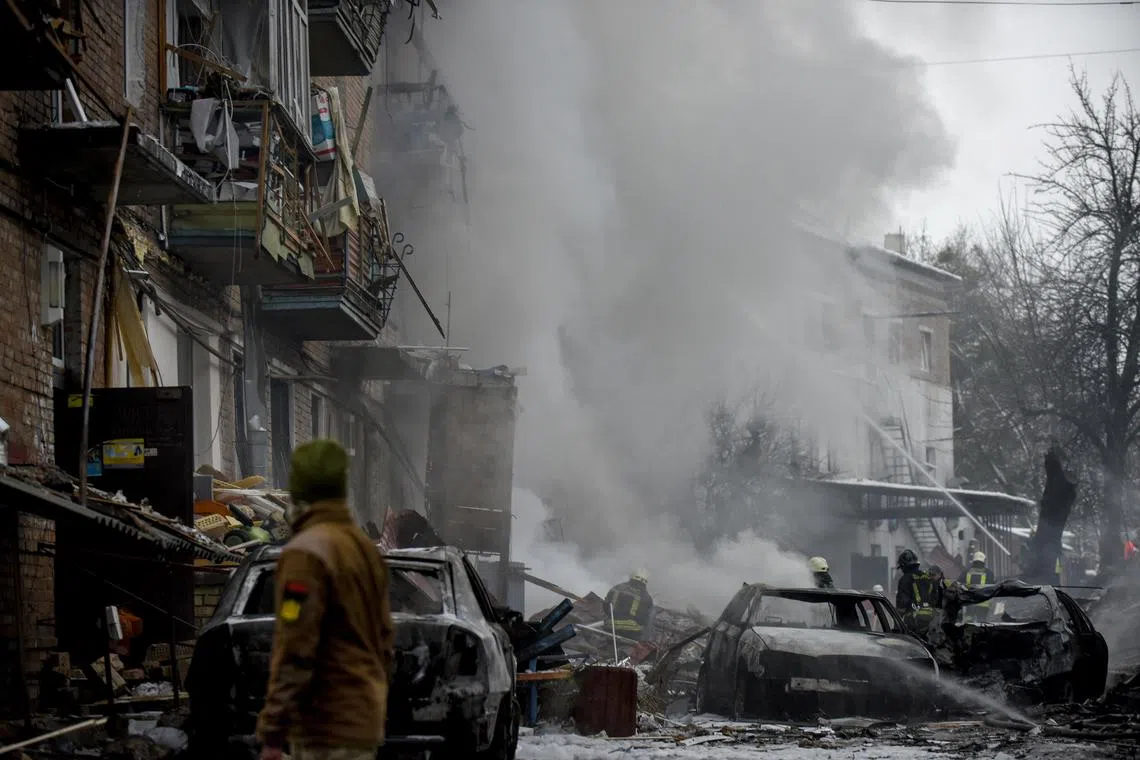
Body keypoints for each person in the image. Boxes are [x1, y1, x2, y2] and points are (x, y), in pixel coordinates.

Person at [256, 441, 395, 760]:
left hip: (325, 723)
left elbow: (296, 642)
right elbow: (384, 637)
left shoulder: (305, 554)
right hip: (363, 717)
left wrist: (274, 729)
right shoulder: (363, 548)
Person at [605, 569, 655, 642]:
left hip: (610, 627)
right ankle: (645, 642)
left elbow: (606, 606)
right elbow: (644, 620)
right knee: (652, 613)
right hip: (630, 632)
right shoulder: (646, 597)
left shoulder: (617, 587)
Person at [895, 550, 934, 636]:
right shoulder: (927, 577)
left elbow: (902, 603)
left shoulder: (905, 579)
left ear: (903, 565)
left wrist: (896, 624)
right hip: (932, 618)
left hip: (914, 620)